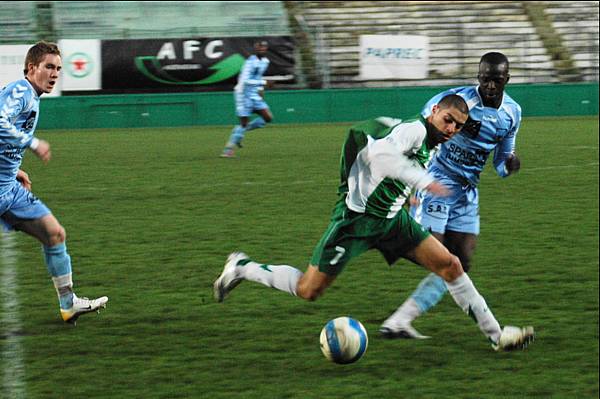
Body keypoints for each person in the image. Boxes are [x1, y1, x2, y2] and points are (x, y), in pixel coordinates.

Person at [214, 94, 534, 351]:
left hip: (393, 221)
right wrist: (420, 180)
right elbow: (380, 154)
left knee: (451, 264)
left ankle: (497, 335)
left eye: (458, 126)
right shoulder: (415, 130)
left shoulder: (430, 141)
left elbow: (387, 152)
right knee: (308, 290)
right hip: (356, 222)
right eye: (447, 119)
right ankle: (242, 267)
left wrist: (408, 193)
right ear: (434, 110)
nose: (451, 128)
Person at [379, 52, 522, 339]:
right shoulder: (454, 101)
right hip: (437, 180)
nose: (490, 86)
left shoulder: (512, 113)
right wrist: (412, 183)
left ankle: (399, 321)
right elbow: (418, 133)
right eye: (485, 79)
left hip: (467, 191)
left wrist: (509, 164)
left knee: (461, 261)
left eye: (496, 80)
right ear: (478, 77)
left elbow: (501, 158)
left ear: (507, 79)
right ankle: (384, 235)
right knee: (439, 255)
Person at [0, 41, 108, 324]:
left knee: (54, 233)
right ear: (31, 68)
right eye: (49, 66)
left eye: (58, 68)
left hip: (9, 187)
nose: (55, 73)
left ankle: (68, 303)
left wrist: (16, 168)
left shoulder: (32, 97)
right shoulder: (21, 91)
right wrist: (32, 143)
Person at [221, 40, 273, 158]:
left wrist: (260, 89)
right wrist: (264, 82)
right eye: (259, 47)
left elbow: (258, 77)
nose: (262, 49)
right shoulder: (250, 62)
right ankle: (228, 150)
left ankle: (239, 132)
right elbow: (244, 81)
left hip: (254, 93)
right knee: (243, 123)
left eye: (264, 47)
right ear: (255, 49)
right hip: (243, 94)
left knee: (268, 118)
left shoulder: (265, 61)